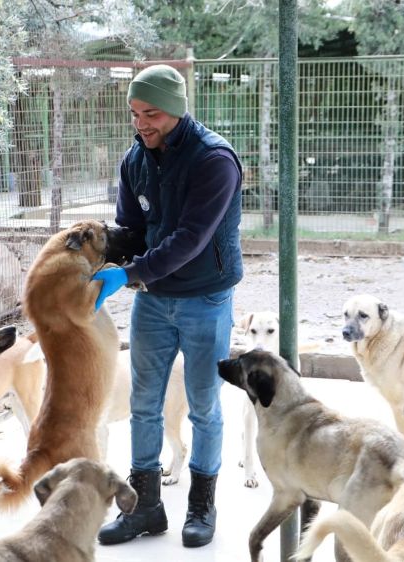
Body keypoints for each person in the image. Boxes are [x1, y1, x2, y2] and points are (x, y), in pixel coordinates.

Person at [91, 64, 243, 549]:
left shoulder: (214, 161)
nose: (141, 123)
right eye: (134, 113)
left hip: (204, 297)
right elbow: (132, 229)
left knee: (202, 406)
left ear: (176, 110)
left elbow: (191, 240)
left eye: (150, 113)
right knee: (143, 405)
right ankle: (146, 508)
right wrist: (95, 256)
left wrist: (129, 274)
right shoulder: (135, 159)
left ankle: (201, 505)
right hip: (153, 301)